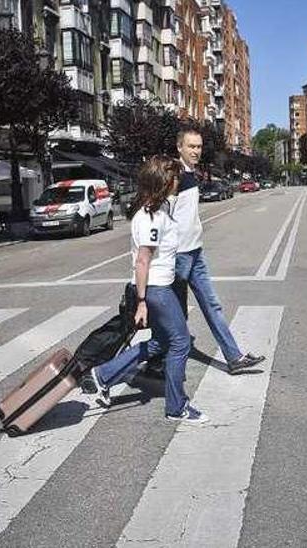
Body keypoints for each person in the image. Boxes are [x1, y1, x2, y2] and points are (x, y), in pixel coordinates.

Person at [89, 156, 206, 423]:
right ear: (164, 181)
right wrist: (142, 301)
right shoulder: (151, 217)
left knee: (160, 342)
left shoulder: (159, 209)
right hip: (155, 290)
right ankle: (177, 407)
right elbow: (143, 260)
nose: (178, 181)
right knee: (180, 344)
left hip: (160, 288)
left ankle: (104, 375)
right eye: (174, 177)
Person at [167, 128, 265, 373]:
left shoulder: (193, 175)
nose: (196, 151)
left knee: (212, 305)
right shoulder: (174, 176)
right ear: (179, 147)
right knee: (176, 316)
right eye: (191, 146)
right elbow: (164, 216)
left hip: (195, 253)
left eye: (198, 147)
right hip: (179, 256)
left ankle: (234, 357)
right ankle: (151, 363)